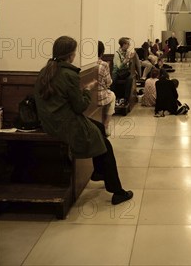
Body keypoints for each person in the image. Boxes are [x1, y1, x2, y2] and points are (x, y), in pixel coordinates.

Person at [34, 36, 133, 205]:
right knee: (106, 146)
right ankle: (117, 191)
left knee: (100, 128)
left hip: (50, 121)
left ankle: (98, 171)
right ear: (71, 54)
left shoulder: (46, 70)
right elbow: (80, 107)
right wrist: (87, 90)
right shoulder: (69, 74)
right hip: (65, 124)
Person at [97, 41, 116, 136]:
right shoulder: (103, 64)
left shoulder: (87, 64)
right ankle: (106, 125)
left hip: (88, 96)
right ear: (102, 52)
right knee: (112, 95)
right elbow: (109, 82)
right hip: (99, 97)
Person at [112, 37, 135, 107]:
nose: (129, 45)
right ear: (124, 44)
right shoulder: (117, 54)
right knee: (113, 80)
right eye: (128, 44)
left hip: (125, 72)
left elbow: (128, 65)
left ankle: (126, 99)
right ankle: (113, 99)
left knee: (130, 79)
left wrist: (130, 60)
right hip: (117, 72)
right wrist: (127, 59)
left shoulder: (128, 52)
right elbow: (119, 67)